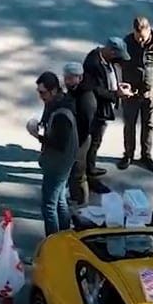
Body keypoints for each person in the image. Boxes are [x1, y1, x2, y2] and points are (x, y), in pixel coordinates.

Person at [28, 71, 79, 235]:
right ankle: (65, 235)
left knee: (49, 205)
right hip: (64, 161)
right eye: (38, 92)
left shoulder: (61, 114)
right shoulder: (57, 103)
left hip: (58, 164)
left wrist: (36, 134)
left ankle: (53, 242)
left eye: (43, 92)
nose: (40, 96)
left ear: (54, 91)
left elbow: (58, 144)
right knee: (60, 200)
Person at [118, 16, 153, 172]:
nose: (140, 40)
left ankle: (146, 155)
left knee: (149, 125)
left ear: (149, 30)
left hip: (150, 92)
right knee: (129, 124)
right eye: (137, 36)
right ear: (133, 31)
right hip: (131, 93)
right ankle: (128, 154)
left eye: (143, 37)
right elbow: (119, 62)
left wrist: (152, 77)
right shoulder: (126, 43)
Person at [80, 42, 131, 187]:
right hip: (96, 111)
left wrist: (118, 86)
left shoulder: (105, 60)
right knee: (93, 142)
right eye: (119, 58)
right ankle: (88, 174)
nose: (119, 62)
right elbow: (97, 90)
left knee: (96, 142)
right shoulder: (93, 64)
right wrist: (117, 94)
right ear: (112, 52)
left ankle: (90, 168)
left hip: (103, 108)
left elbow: (109, 77)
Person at [61, 62, 101, 206]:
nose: (67, 81)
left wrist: (75, 143)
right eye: (66, 77)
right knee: (73, 172)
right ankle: (75, 197)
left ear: (80, 77)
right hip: (75, 137)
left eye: (71, 78)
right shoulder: (75, 90)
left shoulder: (86, 98)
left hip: (80, 139)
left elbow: (85, 124)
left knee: (77, 173)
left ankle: (80, 202)